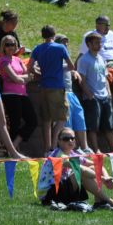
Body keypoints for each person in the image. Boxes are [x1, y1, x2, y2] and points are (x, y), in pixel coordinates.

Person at [37, 127, 113, 211]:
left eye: (72, 138)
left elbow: (97, 165)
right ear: (59, 141)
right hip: (49, 195)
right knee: (79, 173)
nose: (70, 141)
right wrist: (102, 179)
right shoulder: (58, 155)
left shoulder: (73, 154)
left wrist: (106, 177)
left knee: (91, 168)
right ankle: (111, 202)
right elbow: (80, 169)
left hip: (62, 189)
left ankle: (98, 202)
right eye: (66, 139)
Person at [29, 25, 76, 153]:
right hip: (56, 87)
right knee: (62, 118)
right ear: (54, 35)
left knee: (46, 120)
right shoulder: (60, 47)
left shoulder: (37, 48)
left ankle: (46, 150)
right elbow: (71, 66)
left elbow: (30, 67)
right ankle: (54, 147)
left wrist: (40, 73)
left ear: (42, 36)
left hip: (43, 87)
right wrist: (59, 69)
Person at [77, 32, 113, 152]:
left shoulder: (101, 59)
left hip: (105, 96)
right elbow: (81, 80)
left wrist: (109, 93)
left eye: (100, 42)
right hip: (92, 97)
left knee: (109, 125)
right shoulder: (84, 60)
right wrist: (89, 95)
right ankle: (96, 150)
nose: (99, 45)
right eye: (96, 43)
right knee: (93, 126)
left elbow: (104, 78)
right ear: (89, 44)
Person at [0, 35, 37, 154]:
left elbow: (30, 76)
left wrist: (19, 78)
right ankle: (11, 151)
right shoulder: (2, 60)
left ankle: (13, 147)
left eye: (13, 44)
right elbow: (18, 78)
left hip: (22, 94)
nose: (10, 47)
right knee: (14, 123)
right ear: (3, 47)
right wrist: (21, 78)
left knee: (32, 121)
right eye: (8, 44)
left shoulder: (18, 59)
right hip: (10, 95)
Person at [55, 33, 92, 154]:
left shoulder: (66, 59)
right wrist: (72, 69)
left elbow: (69, 68)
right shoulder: (54, 58)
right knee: (67, 121)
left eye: (66, 43)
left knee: (80, 117)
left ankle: (84, 147)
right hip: (61, 93)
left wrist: (74, 71)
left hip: (71, 93)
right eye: (62, 43)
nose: (65, 45)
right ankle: (71, 148)